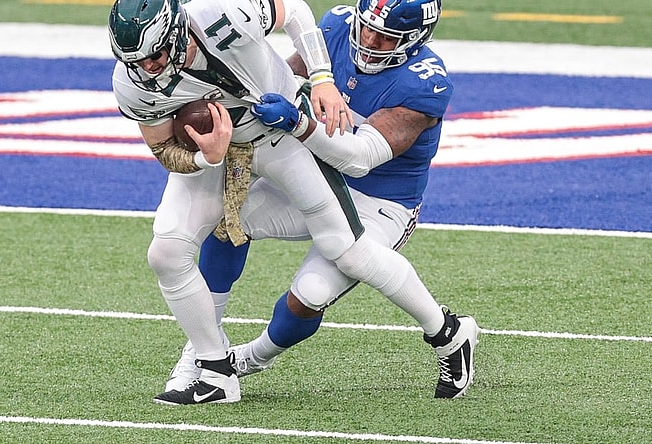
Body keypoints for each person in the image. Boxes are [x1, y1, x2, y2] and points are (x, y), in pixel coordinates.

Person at [166, 0, 480, 399]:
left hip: (380, 200)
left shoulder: (424, 84)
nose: (370, 40)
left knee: (312, 293)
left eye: (386, 37)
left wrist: (298, 121)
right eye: (367, 28)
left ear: (417, 39)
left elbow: (361, 159)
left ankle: (448, 334)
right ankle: (201, 351)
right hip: (318, 178)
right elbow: (280, 76)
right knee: (229, 223)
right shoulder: (336, 27)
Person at [109, 0, 352, 405]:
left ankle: (443, 329)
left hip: (278, 132)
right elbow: (164, 150)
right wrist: (206, 157)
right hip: (219, 151)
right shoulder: (132, 80)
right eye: (135, 61)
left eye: (154, 55)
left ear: (176, 32)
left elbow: (295, 11)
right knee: (166, 251)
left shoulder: (223, 12)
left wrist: (322, 77)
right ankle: (214, 367)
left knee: (346, 242)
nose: (147, 68)